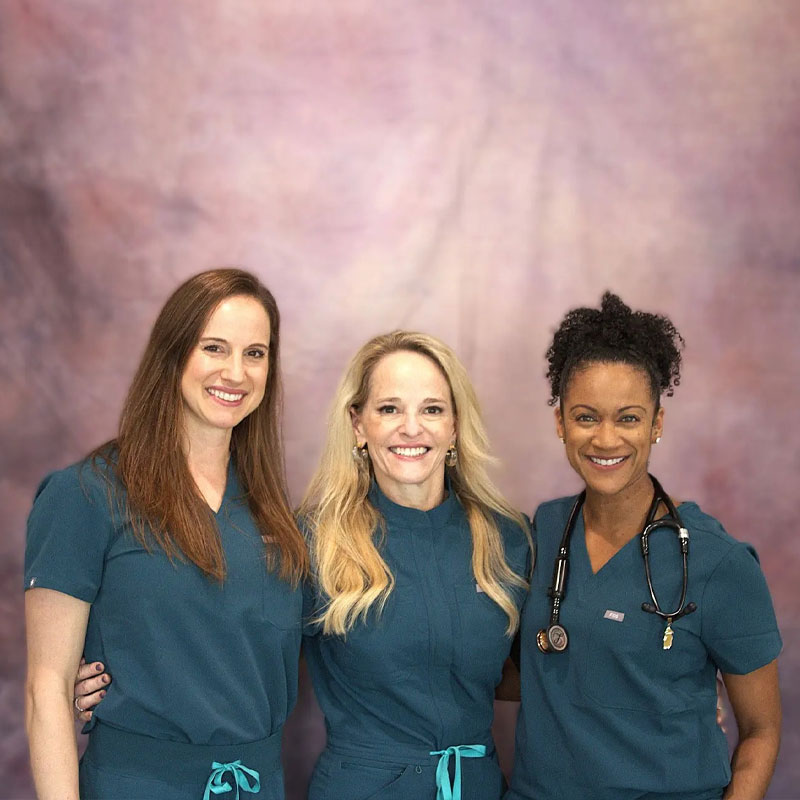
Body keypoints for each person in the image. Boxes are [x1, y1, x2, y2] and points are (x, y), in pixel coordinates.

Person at [25, 268, 308, 800]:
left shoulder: (272, 515)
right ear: (173, 353)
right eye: (214, 348)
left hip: (257, 786)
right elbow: (48, 689)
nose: (236, 372)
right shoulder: (86, 495)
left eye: (255, 353)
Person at [506, 292, 782, 800]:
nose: (605, 439)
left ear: (657, 424)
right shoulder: (542, 533)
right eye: (586, 417)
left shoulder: (718, 562)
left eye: (628, 418)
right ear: (560, 422)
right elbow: (523, 671)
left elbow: (761, 731)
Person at [300, 331, 531, 800]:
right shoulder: (314, 540)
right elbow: (245, 661)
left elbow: (552, 671)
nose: (411, 428)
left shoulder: (510, 538)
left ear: (454, 426)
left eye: (432, 409)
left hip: (477, 786)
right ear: (358, 425)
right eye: (389, 409)